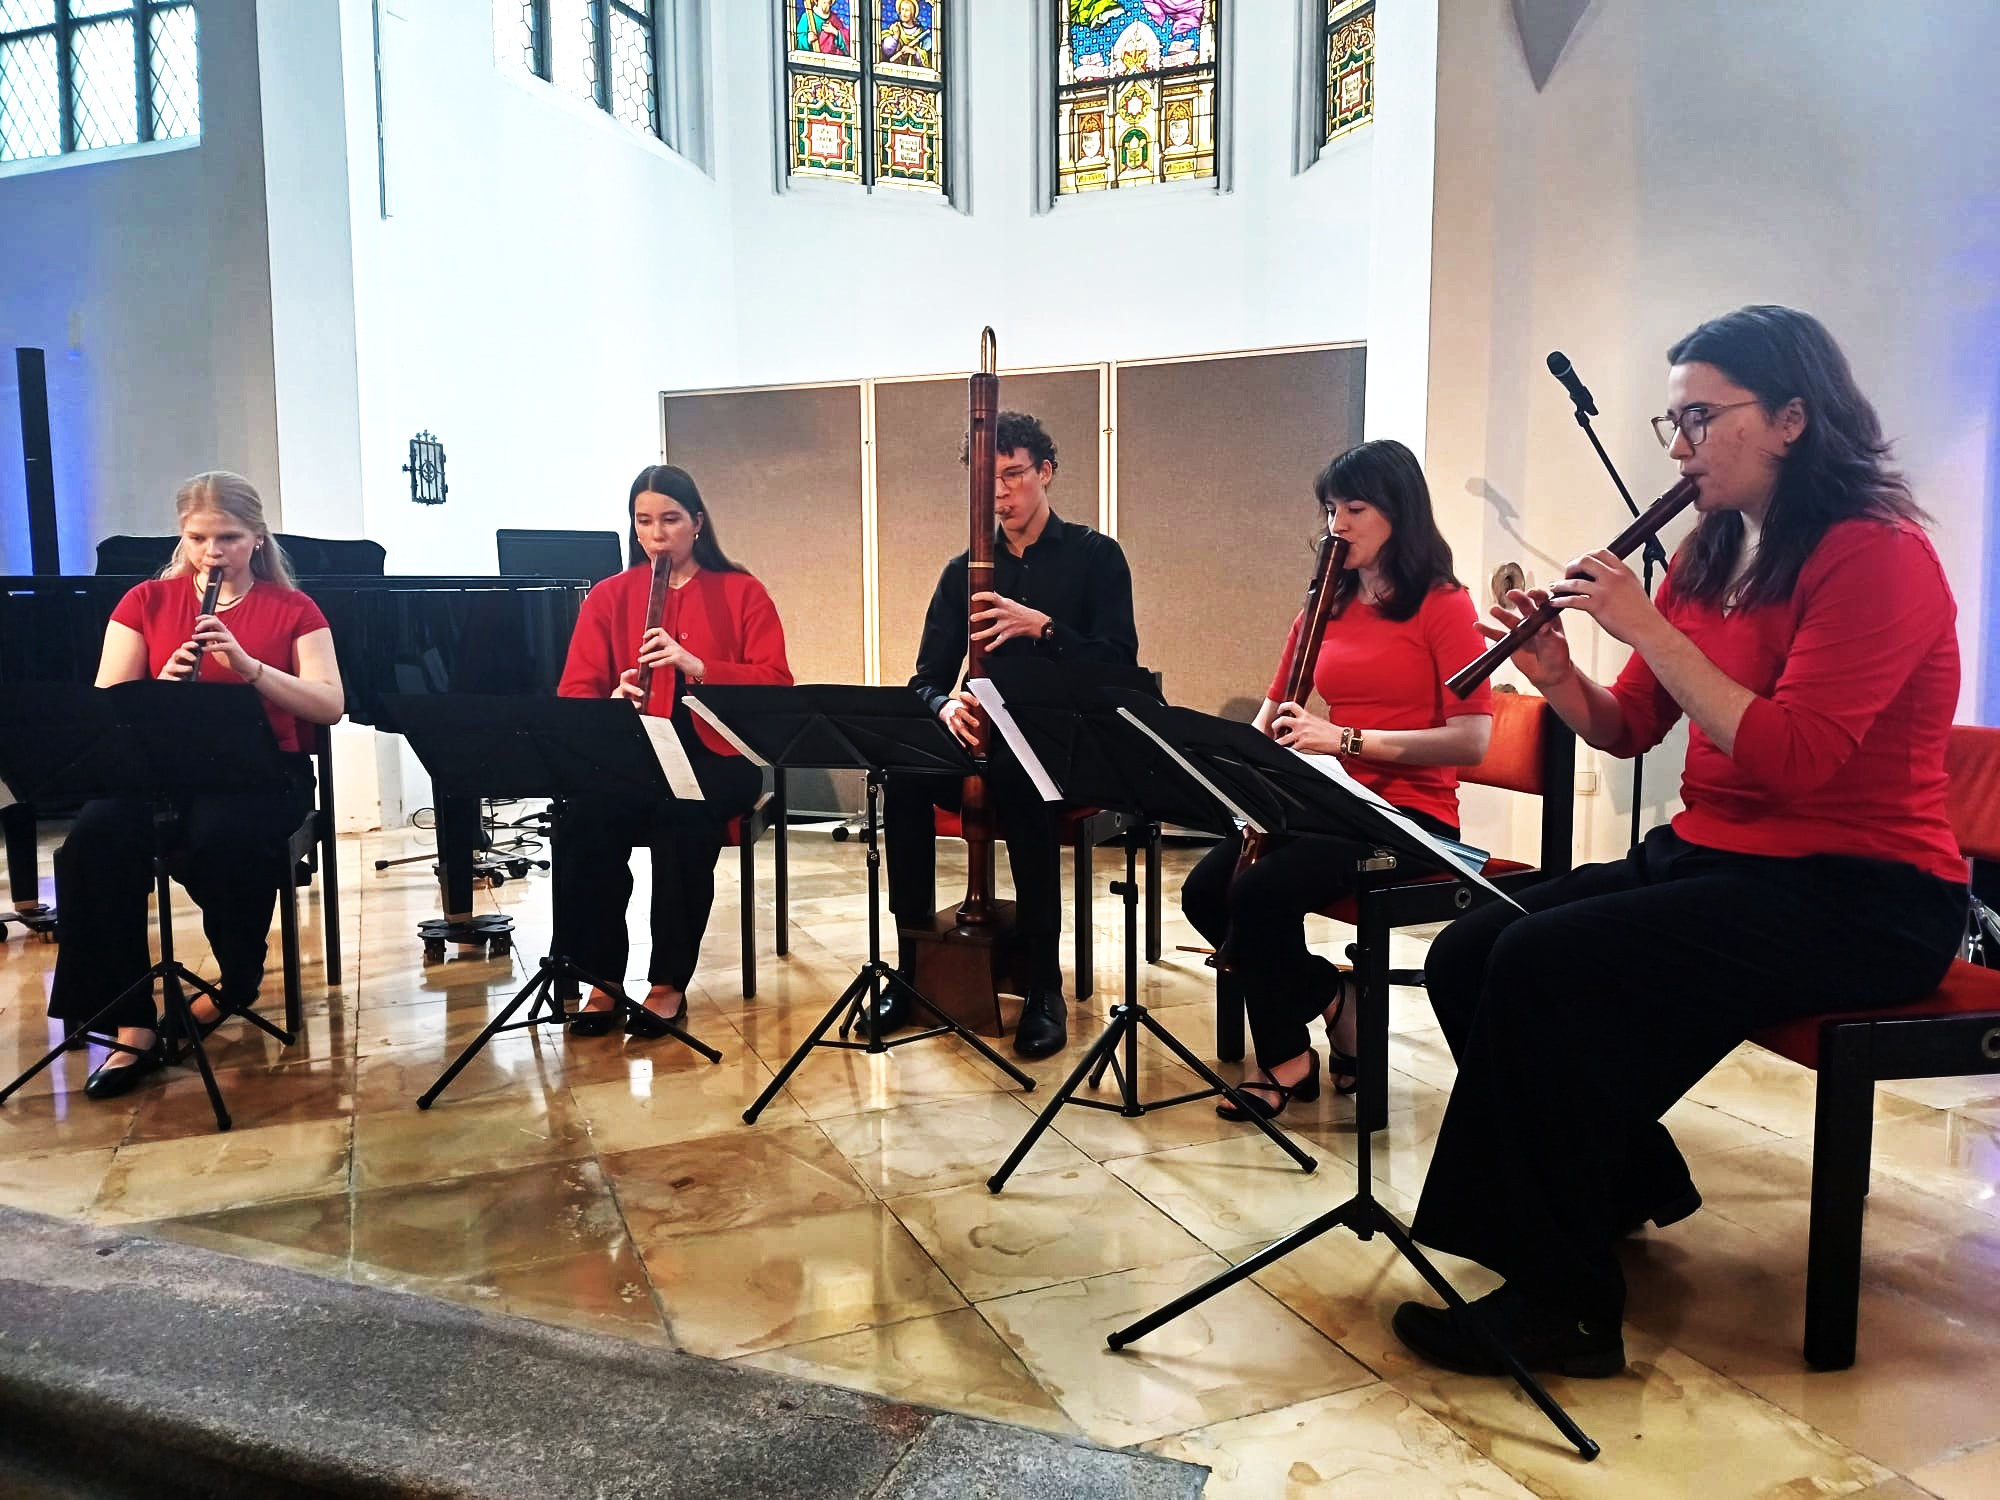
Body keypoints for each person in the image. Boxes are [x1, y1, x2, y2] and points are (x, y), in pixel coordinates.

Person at [1393, 306, 1970, 1378]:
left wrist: (1645, 626)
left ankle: (1564, 1305)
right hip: (1726, 862)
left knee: (1542, 965)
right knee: (1472, 947)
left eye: (1698, 419)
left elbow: (1794, 759)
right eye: (1671, 423)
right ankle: (1615, 1183)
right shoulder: (1706, 557)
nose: (1676, 448)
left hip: (1862, 892)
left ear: (1791, 418)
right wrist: (1557, 673)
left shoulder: (1876, 557)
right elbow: (1627, 731)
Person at [1180, 440, 1493, 1117]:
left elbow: (1473, 739)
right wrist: (1238, 780)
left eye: (1355, 507)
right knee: (1209, 890)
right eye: (1330, 509)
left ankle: (1286, 1060)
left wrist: (1345, 738)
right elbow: (1267, 719)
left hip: (1412, 817)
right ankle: (1337, 1000)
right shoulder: (1325, 605)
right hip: (1330, 804)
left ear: (1398, 513)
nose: (1337, 525)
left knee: (1260, 893)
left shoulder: (1444, 605)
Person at [51, 472, 345, 1100]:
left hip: (261, 776)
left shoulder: (295, 609)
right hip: (156, 773)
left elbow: (328, 705)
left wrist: (249, 667)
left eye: (229, 538)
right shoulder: (145, 602)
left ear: (257, 538)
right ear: (182, 537)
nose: (212, 553)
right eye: (197, 538)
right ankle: (131, 1021)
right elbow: (107, 709)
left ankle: (237, 977)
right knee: (92, 846)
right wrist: (161, 683)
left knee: (222, 841)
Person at [884, 410, 1138, 1058]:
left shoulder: (1096, 556)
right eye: (985, 481)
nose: (999, 492)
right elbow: (925, 679)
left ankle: (1043, 986)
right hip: (981, 738)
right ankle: (910, 966)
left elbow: (1119, 666)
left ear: (1045, 471)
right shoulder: (961, 569)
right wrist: (944, 707)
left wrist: (1043, 627)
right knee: (903, 780)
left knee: (1023, 786)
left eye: (1013, 475)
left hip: (1061, 744)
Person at [556, 465, 792, 1037]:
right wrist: (614, 698)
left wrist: (700, 668)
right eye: (645, 521)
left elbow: (778, 683)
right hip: (631, 748)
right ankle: (602, 978)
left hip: (715, 754)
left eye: (671, 519)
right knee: (582, 821)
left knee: (682, 820)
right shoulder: (610, 596)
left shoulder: (741, 591)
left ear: (697, 523)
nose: (657, 534)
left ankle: (667, 984)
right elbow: (572, 692)